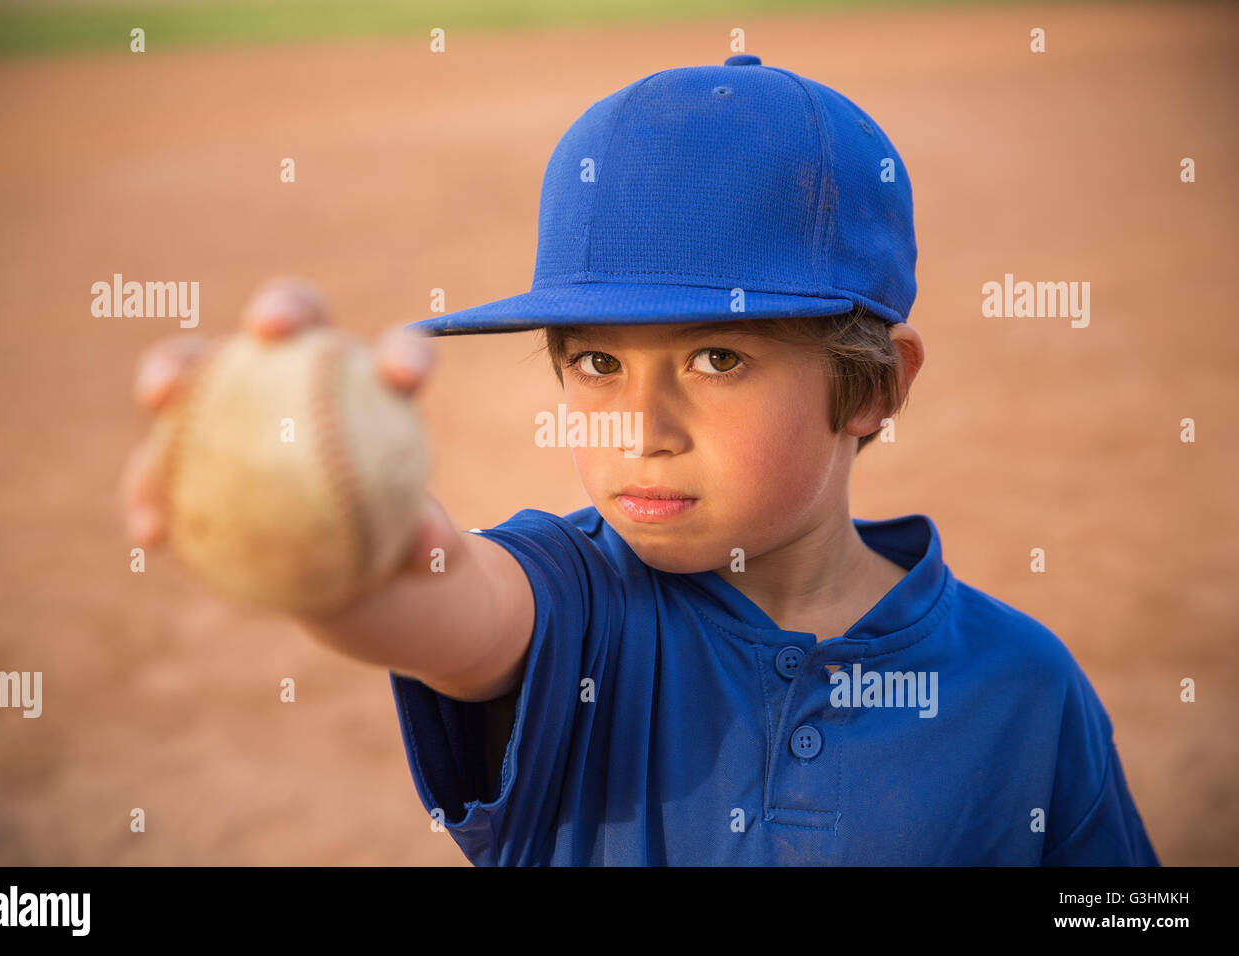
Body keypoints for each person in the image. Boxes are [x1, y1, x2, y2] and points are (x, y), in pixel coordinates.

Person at [121, 55, 1159, 866]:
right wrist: (358, 556)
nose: (638, 424)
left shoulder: (1022, 687)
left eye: (716, 357)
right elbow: (443, 602)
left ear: (876, 386)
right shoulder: (575, 606)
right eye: (597, 360)